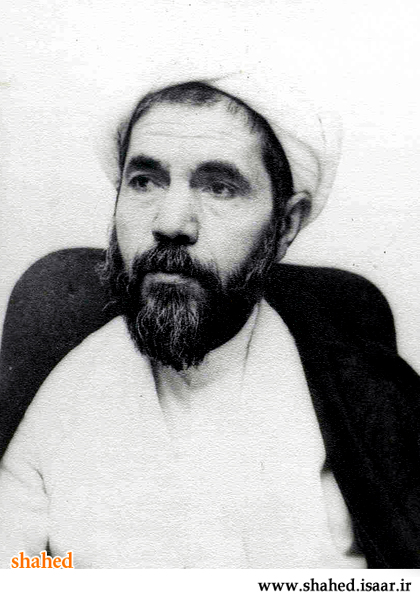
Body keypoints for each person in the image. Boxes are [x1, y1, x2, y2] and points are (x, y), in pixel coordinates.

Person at [1, 73, 420, 569]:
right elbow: (20, 570)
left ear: (285, 225)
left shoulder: (372, 398)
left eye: (220, 187)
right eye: (144, 182)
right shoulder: (61, 400)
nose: (170, 223)